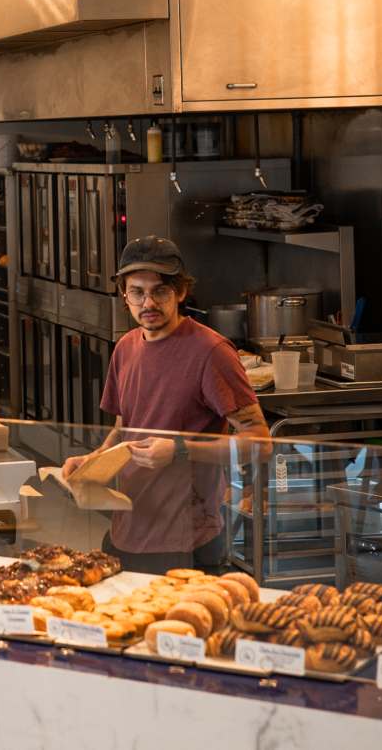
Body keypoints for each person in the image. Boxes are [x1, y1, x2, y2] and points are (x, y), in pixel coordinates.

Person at [60, 236, 271, 575]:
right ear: (124, 294)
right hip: (128, 528)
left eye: (160, 291)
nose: (148, 303)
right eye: (137, 292)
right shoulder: (126, 348)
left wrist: (179, 450)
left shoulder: (211, 352)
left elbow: (260, 443)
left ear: (181, 292)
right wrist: (92, 462)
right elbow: (124, 429)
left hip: (186, 540)